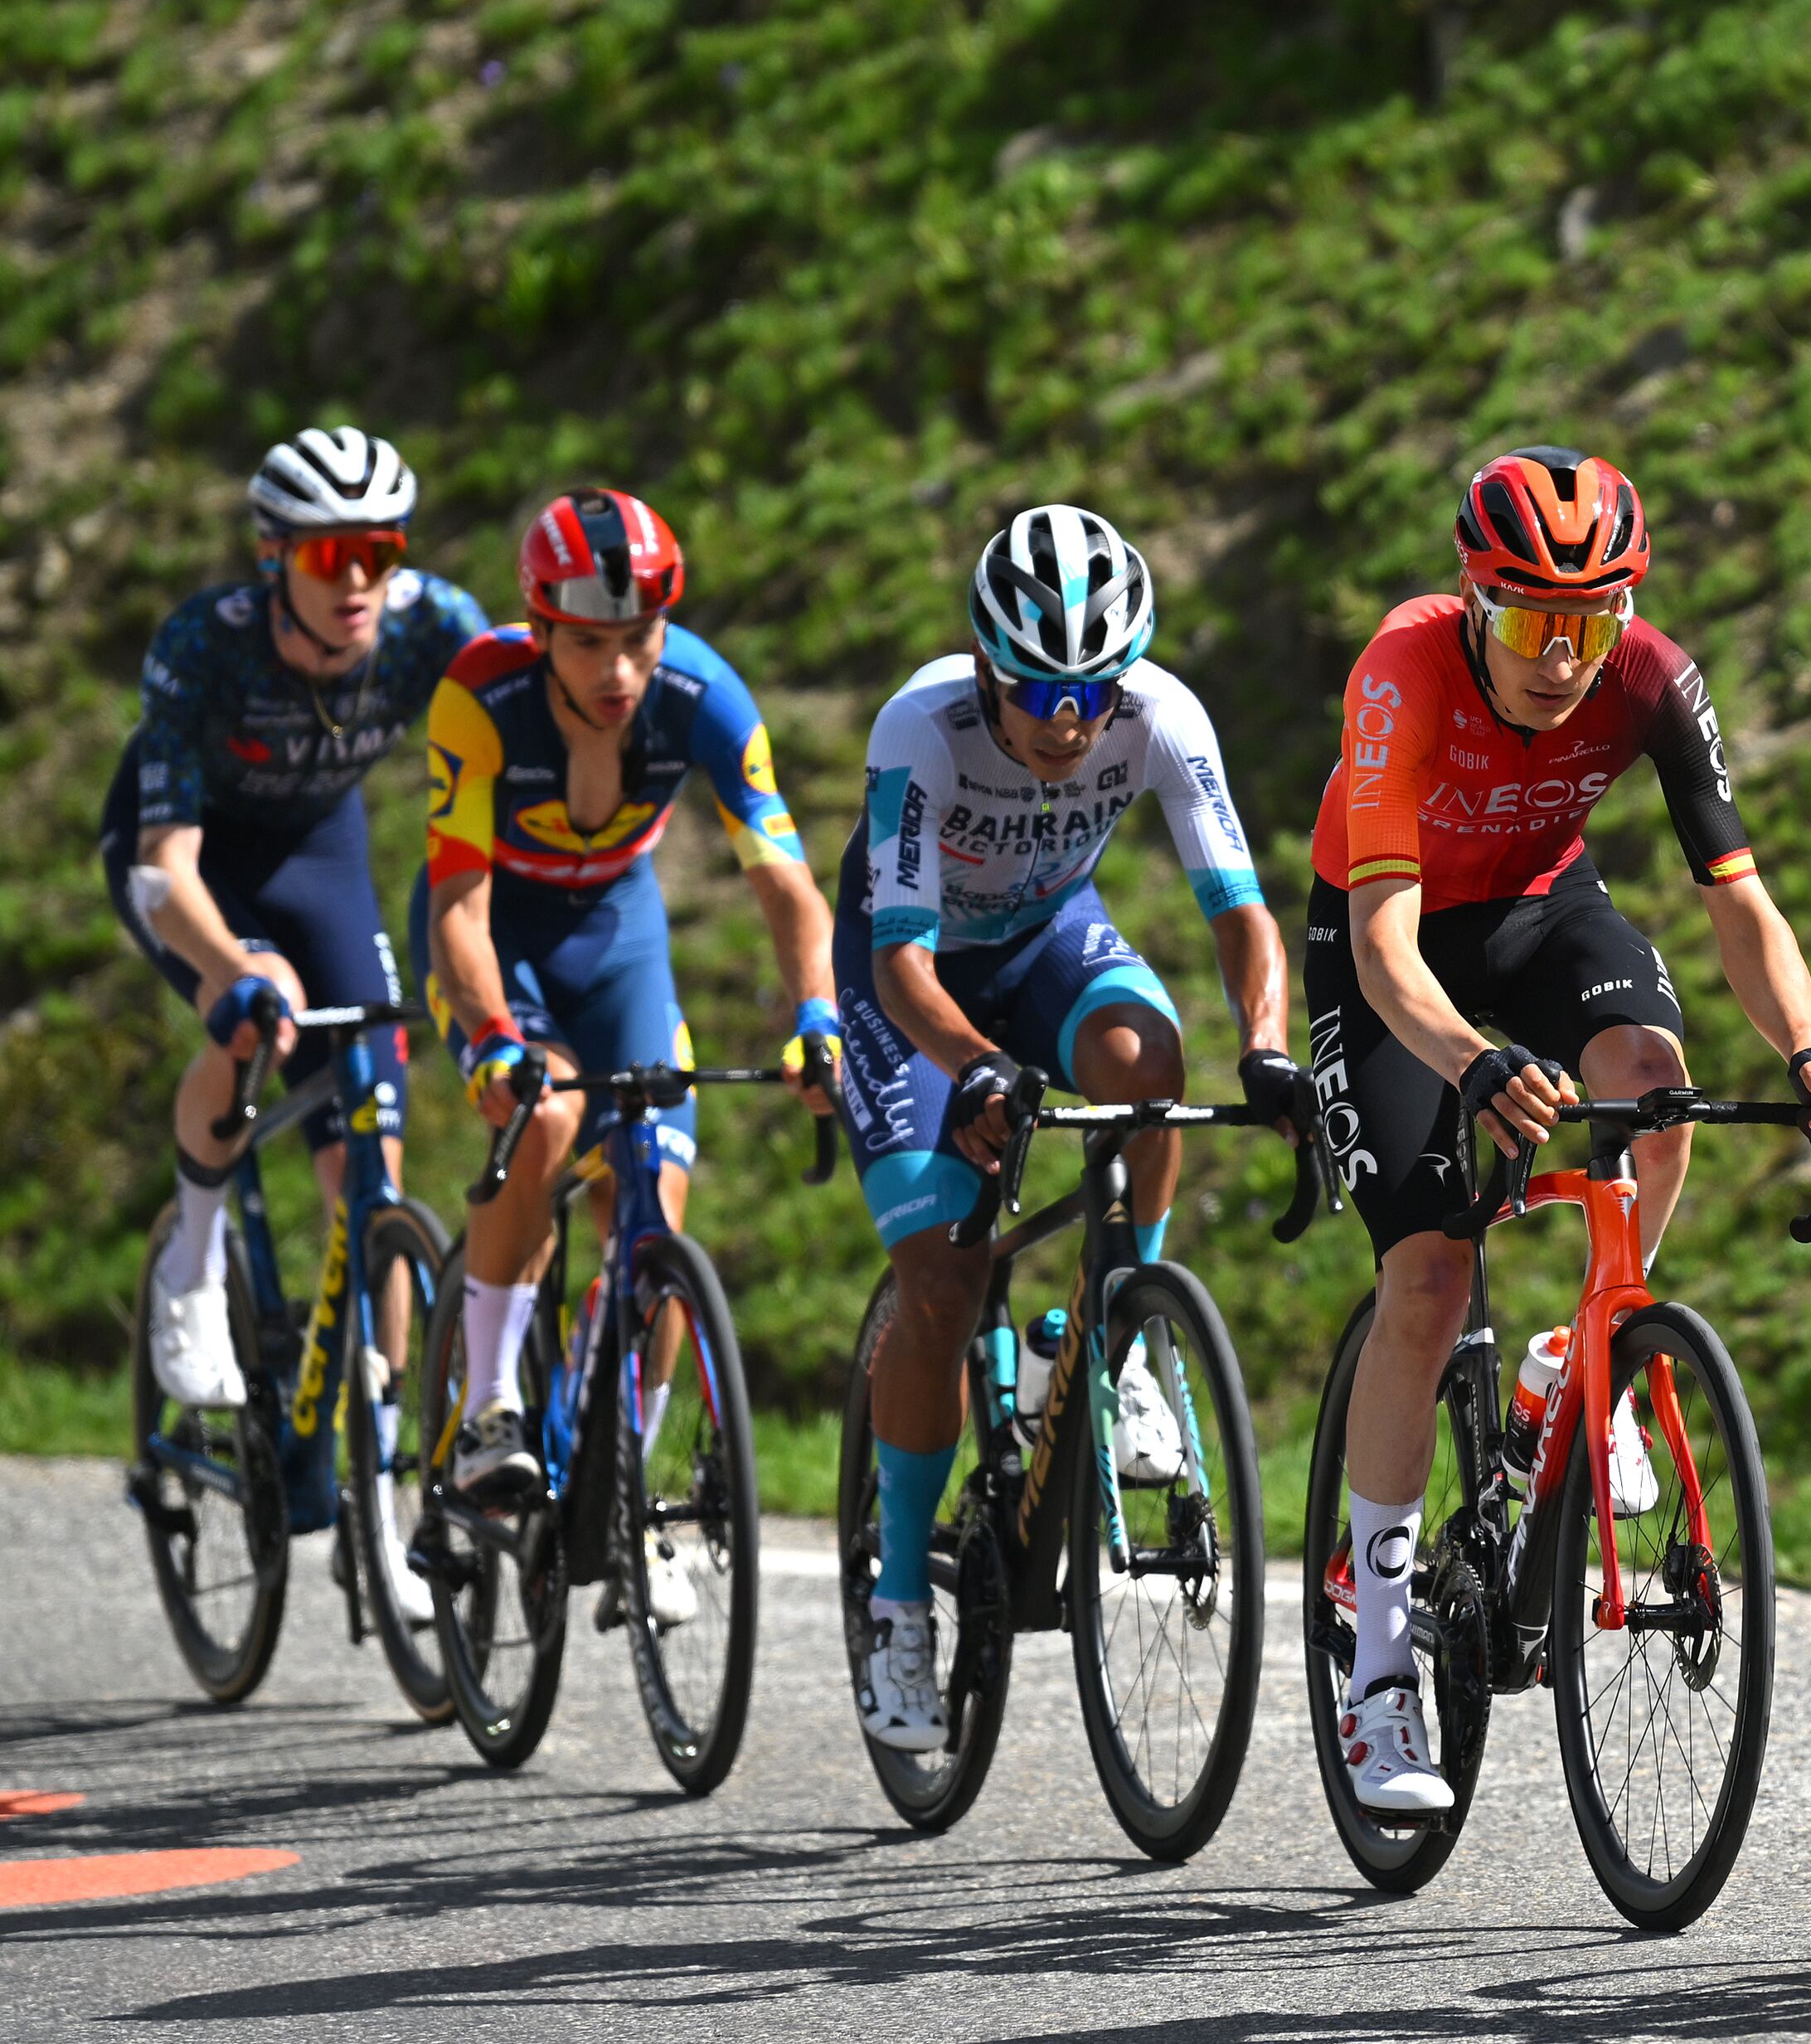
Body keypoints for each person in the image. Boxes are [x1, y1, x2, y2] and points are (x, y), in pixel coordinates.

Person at [1304, 447, 1811, 1816]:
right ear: (1470, 593)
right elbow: (1385, 947)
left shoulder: (1654, 678)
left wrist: (1806, 1050)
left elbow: (1738, 894)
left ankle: (1584, 1361)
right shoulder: (1400, 670)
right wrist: (1472, 1054)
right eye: (1528, 623)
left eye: (1589, 625)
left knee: (1651, 1077)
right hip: (1387, 934)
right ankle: (1378, 1651)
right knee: (1430, 1270)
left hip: (1542, 904)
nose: (1561, 659)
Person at [840, 505, 1302, 1755]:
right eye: (1039, 689)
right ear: (988, 667)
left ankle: (1125, 1338)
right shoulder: (919, 727)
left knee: (1146, 1062)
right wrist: (979, 1068)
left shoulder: (1161, 715)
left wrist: (1264, 1043)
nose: (1066, 720)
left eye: (1092, 691)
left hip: (1046, 937)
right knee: (939, 1273)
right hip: (915, 976)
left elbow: (1240, 910)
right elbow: (898, 962)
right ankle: (894, 1600)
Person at [418, 492, 843, 1561]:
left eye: (638, 641)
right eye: (590, 645)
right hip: (498, 938)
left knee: (654, 1192)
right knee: (550, 1124)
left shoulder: (705, 693)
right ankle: (484, 1412)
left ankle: (621, 1472)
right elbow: (457, 910)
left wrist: (817, 1016)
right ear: (541, 628)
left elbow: (788, 885)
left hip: (617, 933)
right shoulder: (482, 694)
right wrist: (495, 1039)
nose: (618, 672)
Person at [109, 427, 483, 1415]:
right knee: (252, 1016)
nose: (357, 579)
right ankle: (190, 1266)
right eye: (329, 555)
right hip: (194, 861)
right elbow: (166, 864)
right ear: (275, 555)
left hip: (320, 847)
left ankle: (382, 1429)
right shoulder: (205, 644)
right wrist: (235, 967)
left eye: (381, 551)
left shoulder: (434, 623)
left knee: (372, 1133)